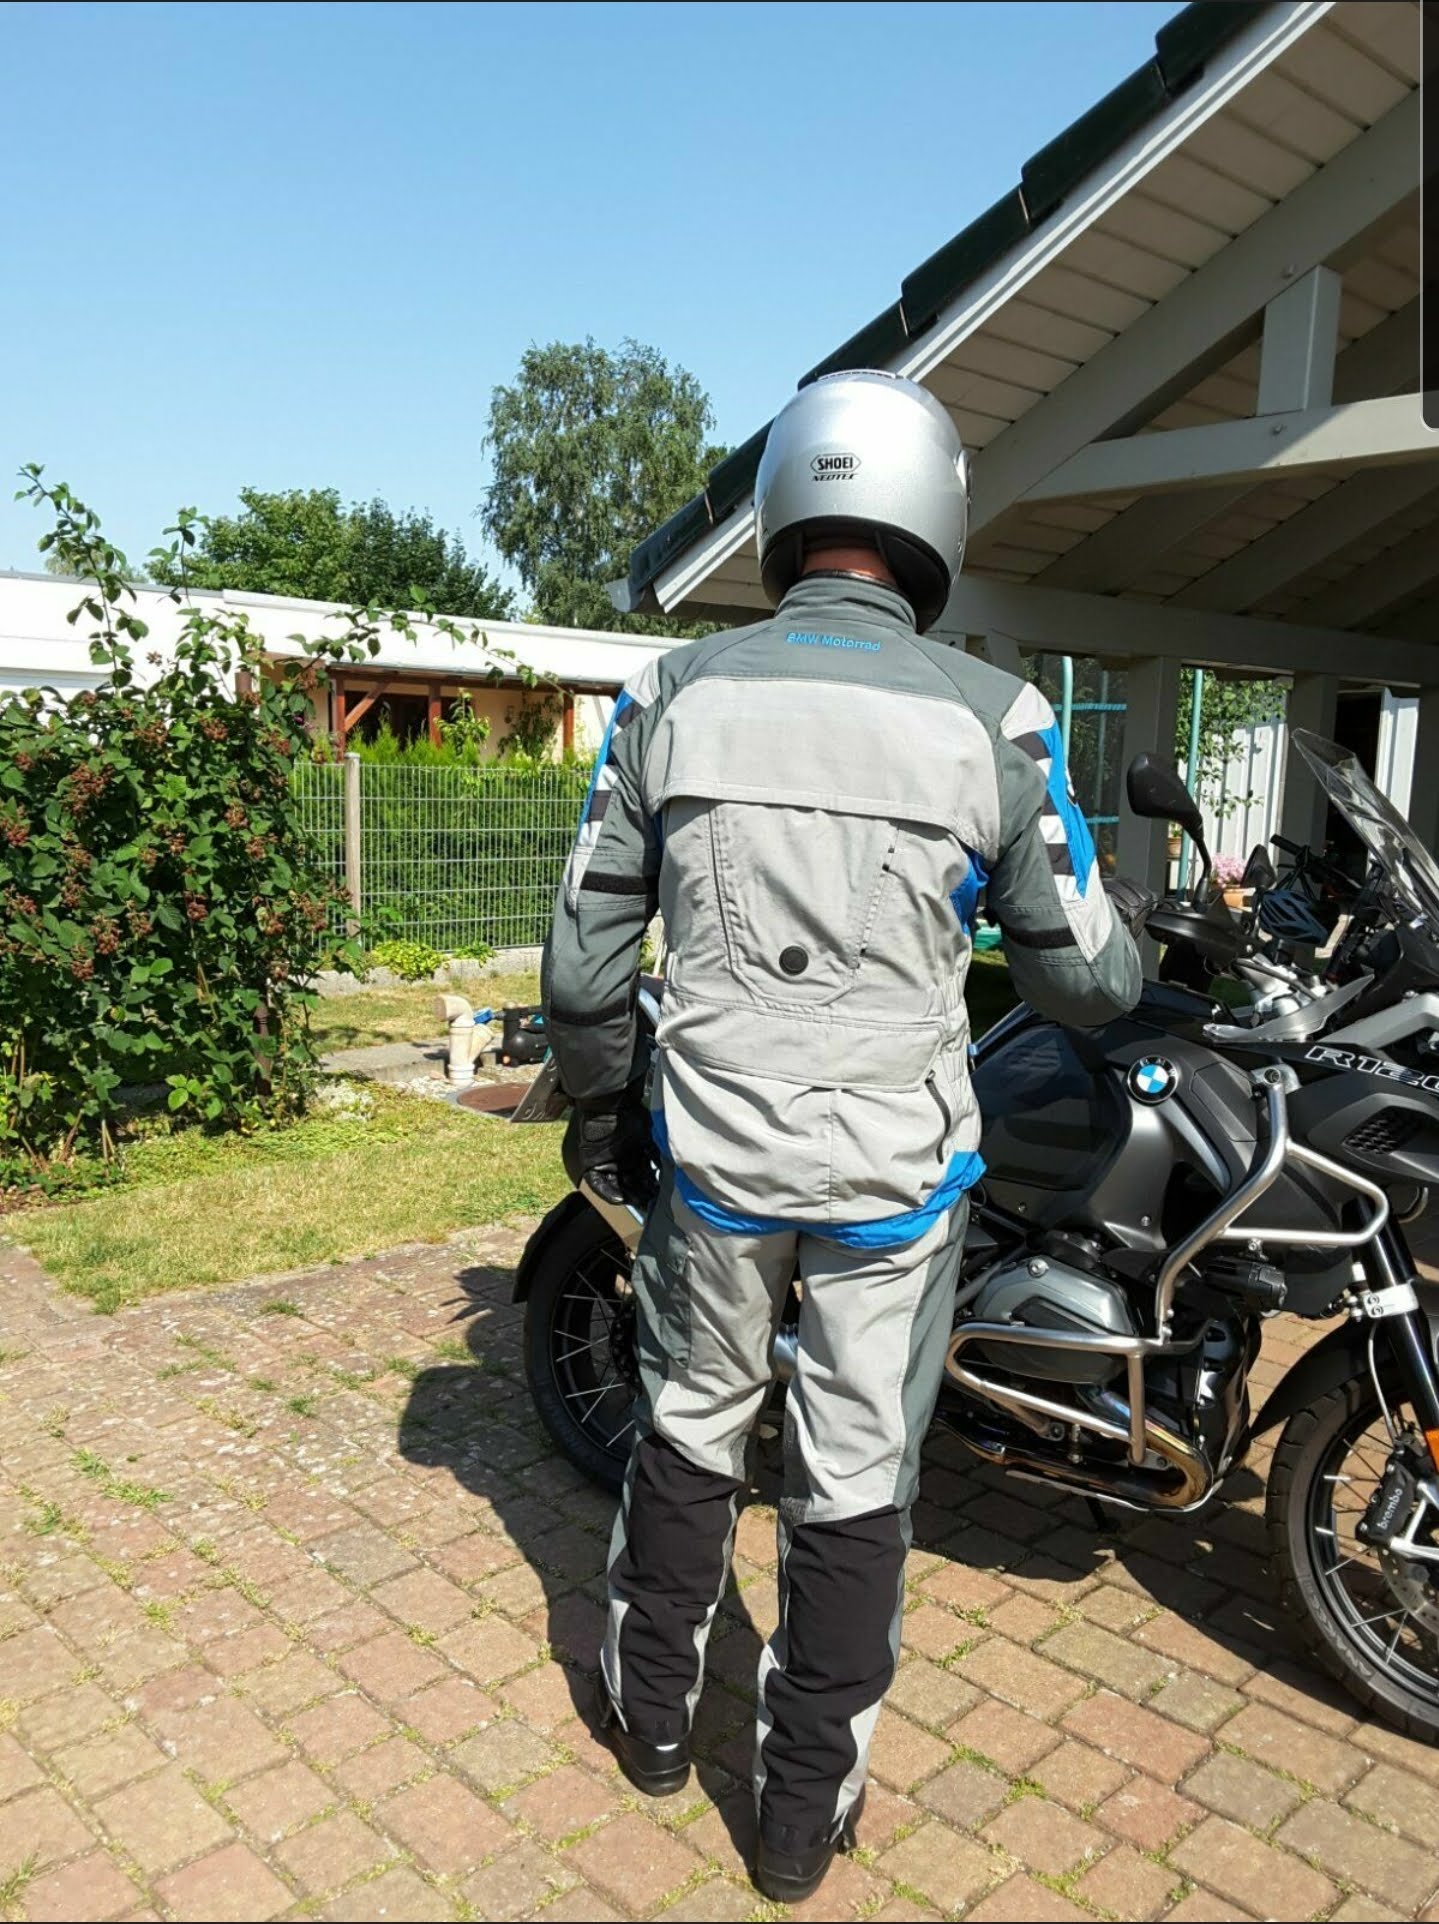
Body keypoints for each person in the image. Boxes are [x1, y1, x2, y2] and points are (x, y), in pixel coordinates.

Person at [542, 370, 1142, 1902]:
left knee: (690, 1423)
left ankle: (654, 1728)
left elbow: (585, 961)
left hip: (717, 1160)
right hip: (895, 1184)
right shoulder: (997, 718)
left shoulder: (669, 695)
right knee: (856, 1473)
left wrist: (605, 1103)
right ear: (930, 515)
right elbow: (1082, 974)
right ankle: (802, 1820)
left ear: (786, 513)